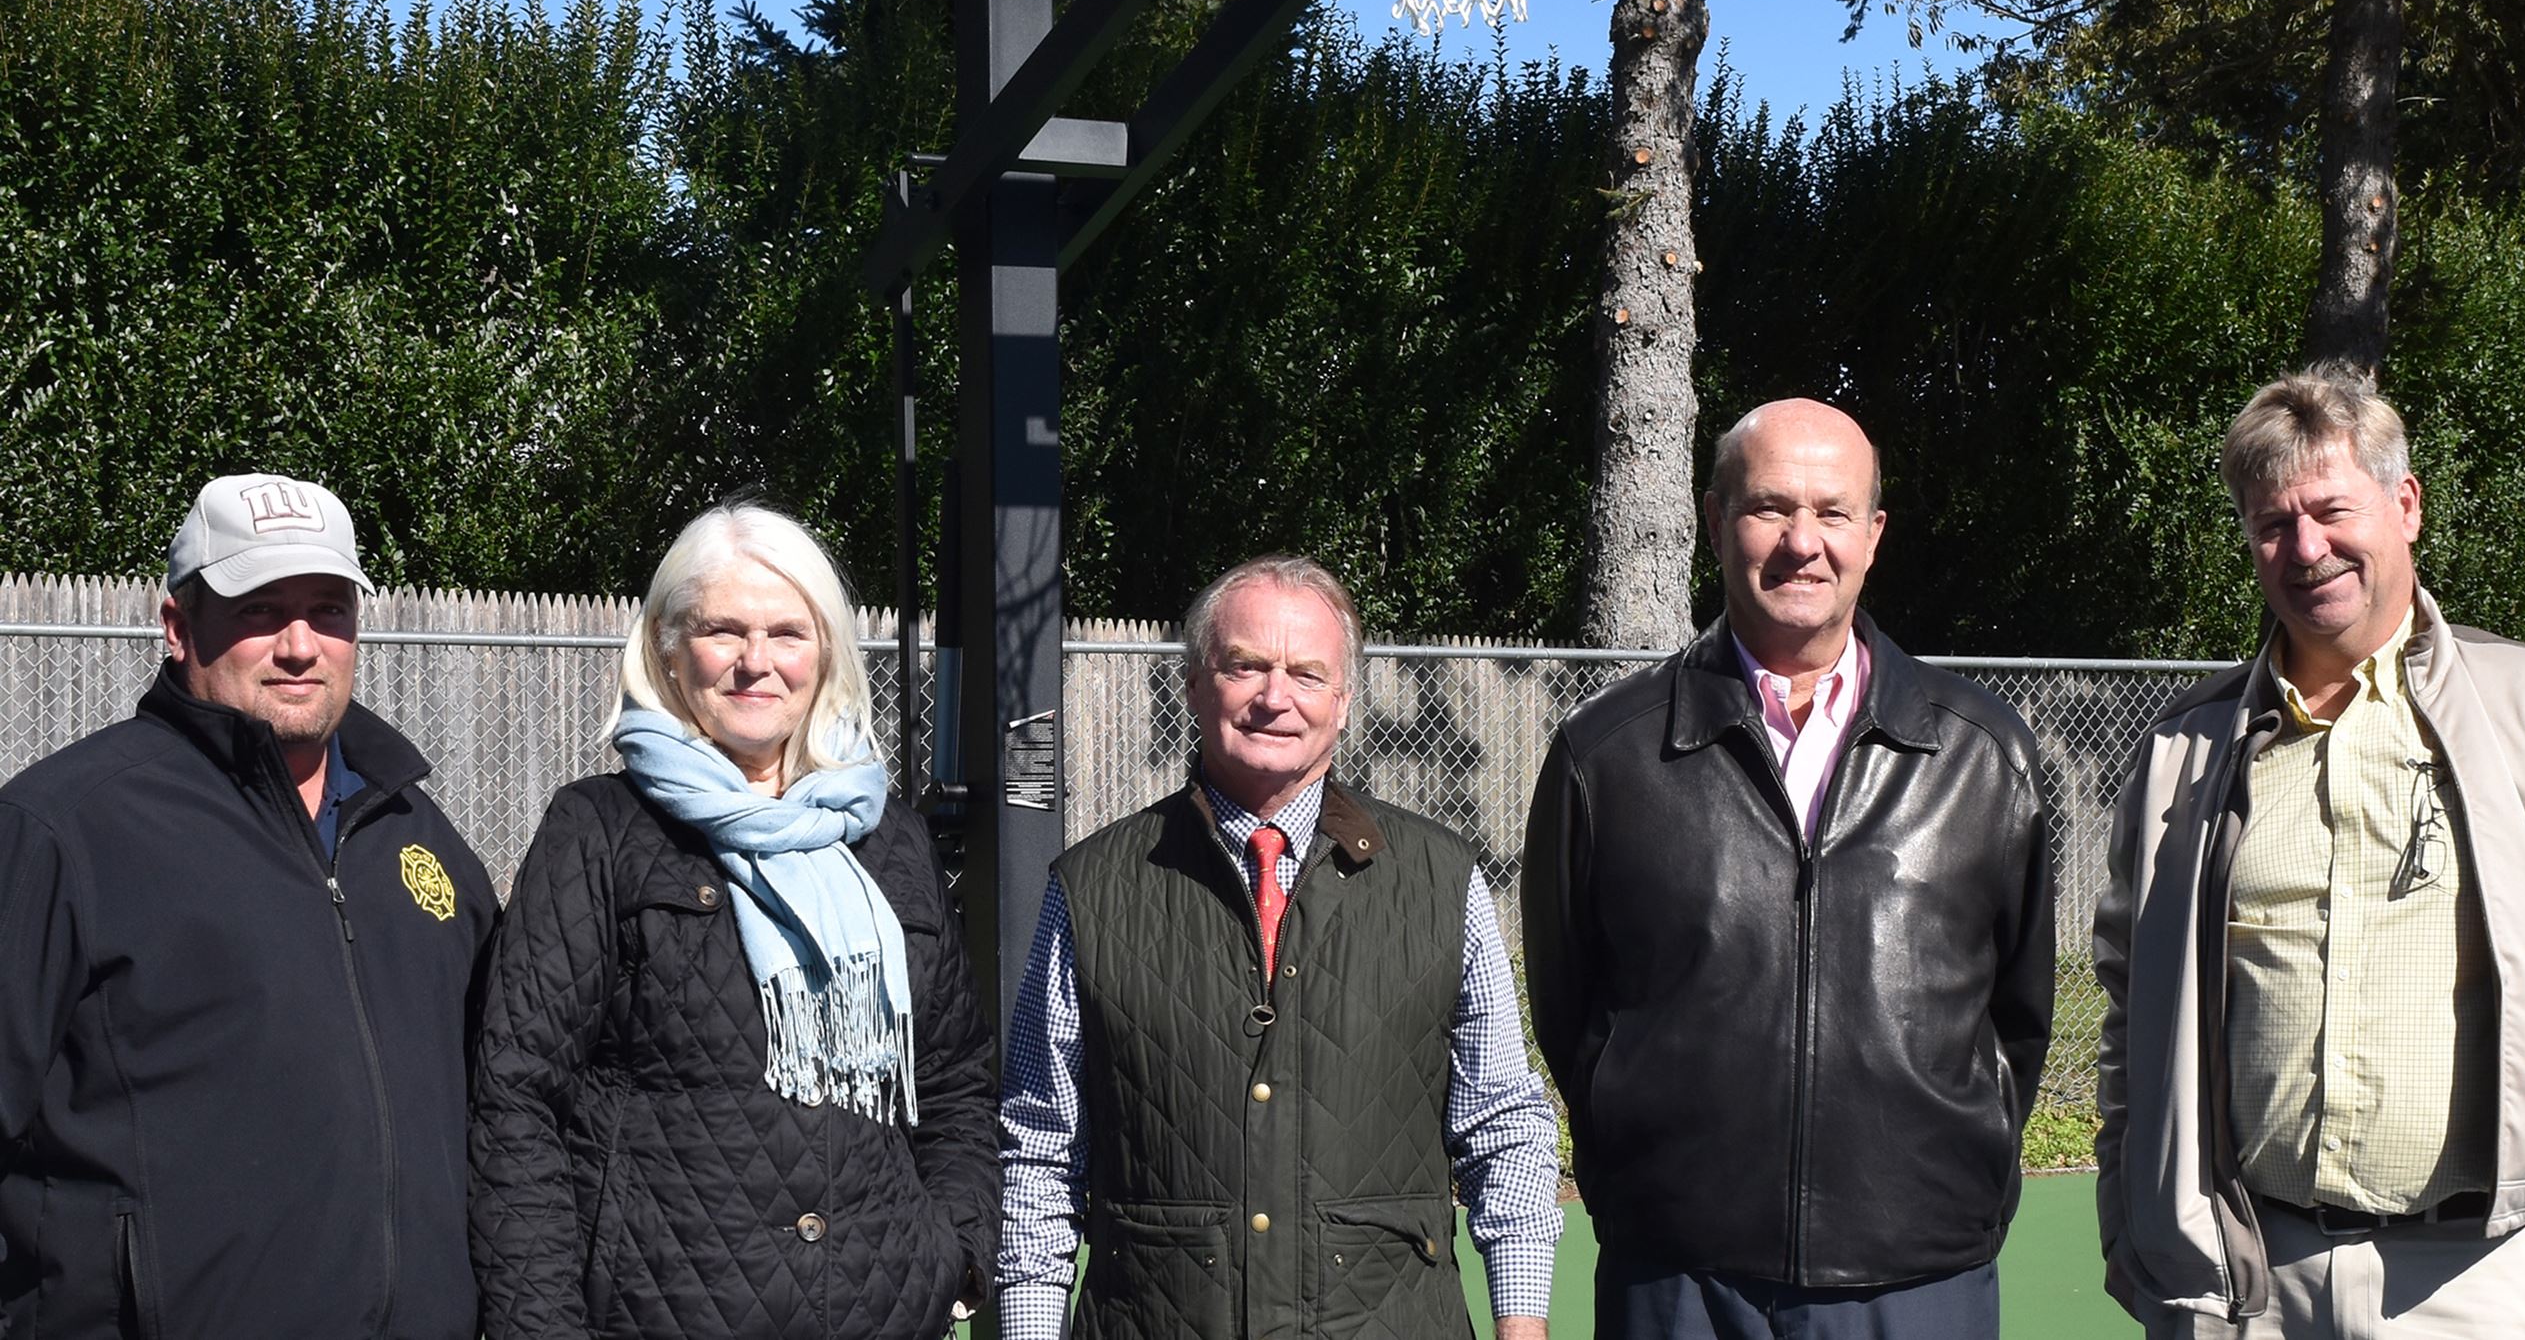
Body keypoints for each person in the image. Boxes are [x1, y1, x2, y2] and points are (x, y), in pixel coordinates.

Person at [1523, 398, 2054, 1340]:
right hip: (1677, 1278)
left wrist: (1960, 1190)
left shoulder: (1983, 753)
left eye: (1832, 511)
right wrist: (1640, 1186)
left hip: (1919, 1275)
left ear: (1874, 534)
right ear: (1715, 522)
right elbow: (1570, 1006)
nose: (1802, 542)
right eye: (1770, 507)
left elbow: (2019, 1014)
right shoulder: (1606, 755)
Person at [2095, 367, 2525, 1338]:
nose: (2304, 547)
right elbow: (2128, 998)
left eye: (2329, 510)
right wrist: (2132, 1209)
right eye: (2271, 523)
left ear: (2403, 504)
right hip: (2249, 1279)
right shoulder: (2184, 753)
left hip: (2478, 1277)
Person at [995, 554, 1563, 1339]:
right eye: (1245, 665)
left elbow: (1502, 1122)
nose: (1275, 696)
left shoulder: (1442, 880)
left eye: (1306, 672)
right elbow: (1039, 1150)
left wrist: (1524, 1320)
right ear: (1194, 684)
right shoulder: (1090, 888)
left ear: (1343, 701)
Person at [469, 503, 999, 1339]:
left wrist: (955, 1250)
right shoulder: (601, 831)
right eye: (724, 629)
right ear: (671, 649)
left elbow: (955, 1074)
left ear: (826, 653)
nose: (758, 662)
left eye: (789, 632)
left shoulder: (889, 838)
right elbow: (516, 1096)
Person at [0, 472, 498, 1338]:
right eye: (260, 608)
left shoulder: (419, 834)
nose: (300, 644)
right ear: (178, 627)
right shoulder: (61, 830)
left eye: (328, 609)